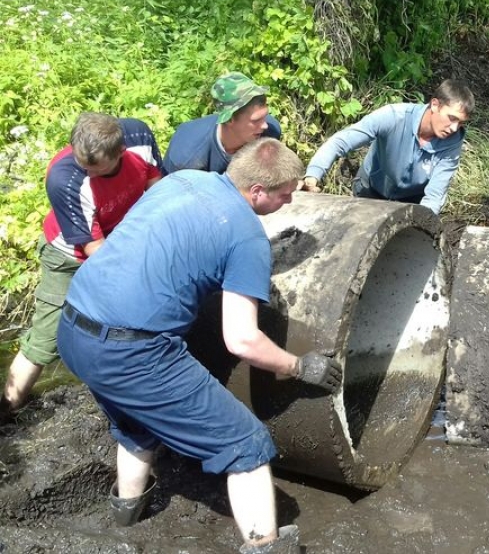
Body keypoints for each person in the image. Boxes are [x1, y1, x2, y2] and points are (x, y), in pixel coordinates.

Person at [56, 138, 341, 554]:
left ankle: (126, 516)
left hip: (75, 327)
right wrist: (298, 365)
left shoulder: (184, 180)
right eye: (285, 193)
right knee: (245, 444)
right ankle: (266, 546)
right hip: (132, 352)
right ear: (257, 191)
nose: (289, 200)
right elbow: (241, 339)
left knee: (136, 424)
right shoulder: (247, 239)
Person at [0, 113, 162, 420]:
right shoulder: (65, 178)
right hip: (69, 257)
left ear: (119, 152)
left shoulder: (138, 138)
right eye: (80, 161)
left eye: (94, 168)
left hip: (121, 237)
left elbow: (159, 192)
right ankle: (8, 405)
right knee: (47, 337)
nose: (84, 170)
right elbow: (95, 252)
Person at [301, 79, 475, 214]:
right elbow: (341, 141)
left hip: (411, 202)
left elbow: (435, 195)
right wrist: (313, 175)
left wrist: (421, 226)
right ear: (435, 105)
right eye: (451, 118)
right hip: (370, 190)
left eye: (460, 123)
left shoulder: (453, 142)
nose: (454, 128)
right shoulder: (395, 117)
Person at [162, 71, 282, 175]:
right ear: (229, 119)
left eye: (264, 116)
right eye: (256, 121)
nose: (264, 125)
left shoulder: (270, 132)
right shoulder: (188, 156)